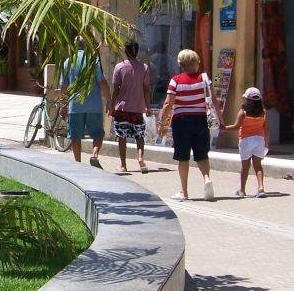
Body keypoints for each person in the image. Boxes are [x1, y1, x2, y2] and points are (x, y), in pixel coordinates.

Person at [159, 49, 219, 202]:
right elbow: (214, 101)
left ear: (180, 64)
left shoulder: (176, 80)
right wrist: (221, 119)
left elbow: (168, 104)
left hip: (181, 121)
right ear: (195, 62)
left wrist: (162, 124)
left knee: (183, 157)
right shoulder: (204, 79)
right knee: (202, 154)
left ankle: (184, 191)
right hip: (200, 120)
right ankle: (206, 178)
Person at [59, 41, 111, 165]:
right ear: (86, 46)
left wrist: (63, 105)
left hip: (75, 106)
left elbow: (64, 87)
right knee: (98, 134)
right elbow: (103, 82)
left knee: (75, 136)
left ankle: (78, 162)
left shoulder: (68, 62)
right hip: (94, 106)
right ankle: (94, 155)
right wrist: (109, 101)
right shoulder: (93, 61)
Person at [108, 39, 151, 173]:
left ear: (125, 51)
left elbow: (116, 89)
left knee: (122, 136)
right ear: (137, 51)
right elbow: (146, 89)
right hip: (138, 108)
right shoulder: (144, 67)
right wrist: (148, 106)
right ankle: (140, 158)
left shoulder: (119, 67)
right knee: (139, 135)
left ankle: (123, 164)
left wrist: (111, 105)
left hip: (122, 108)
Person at [224, 87, 269, 198]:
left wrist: (223, 128)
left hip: (245, 140)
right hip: (259, 140)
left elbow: (236, 126)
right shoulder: (263, 112)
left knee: (245, 167)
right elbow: (266, 129)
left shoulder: (243, 112)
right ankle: (261, 188)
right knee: (258, 166)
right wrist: (266, 144)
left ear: (247, 100)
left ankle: (242, 190)